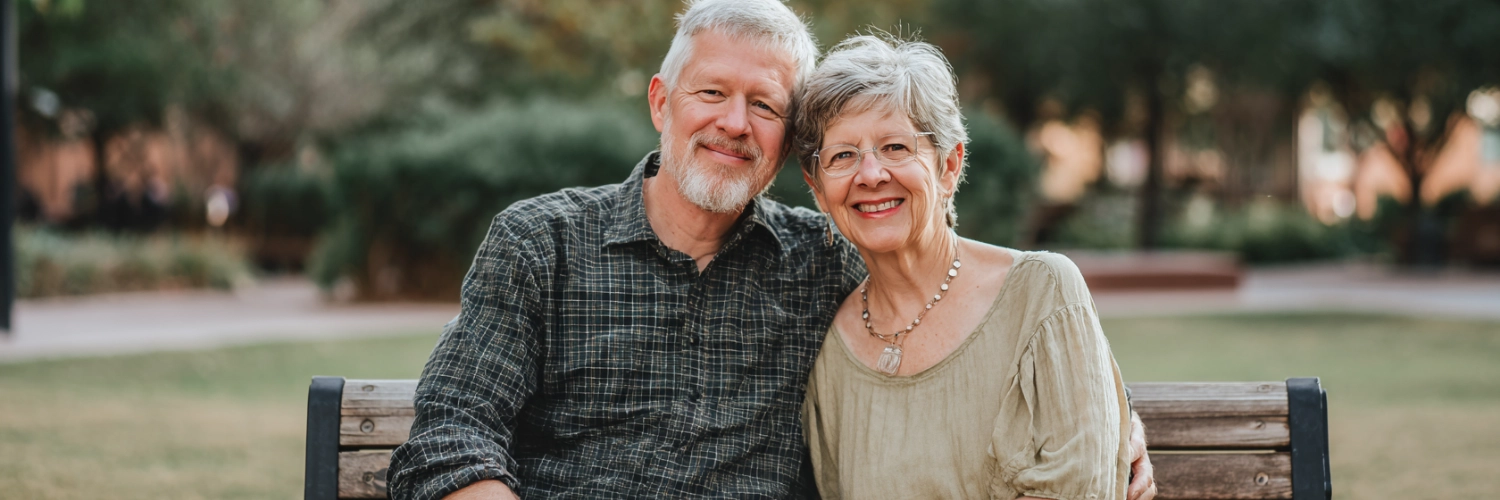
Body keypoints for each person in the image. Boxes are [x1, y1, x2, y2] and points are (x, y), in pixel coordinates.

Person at [387, 1, 1156, 498]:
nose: (734, 123)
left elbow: (969, 297)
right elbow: (451, 433)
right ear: (661, 101)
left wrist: (1115, 415)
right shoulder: (541, 243)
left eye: (764, 105)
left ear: (788, 144)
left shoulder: (821, 259)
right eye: (712, 93)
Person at [795, 33, 1150, 499]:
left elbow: (1083, 487)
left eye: (896, 147)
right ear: (818, 189)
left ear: (949, 166)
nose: (870, 174)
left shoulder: (1043, 292)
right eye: (843, 156)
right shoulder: (832, 353)